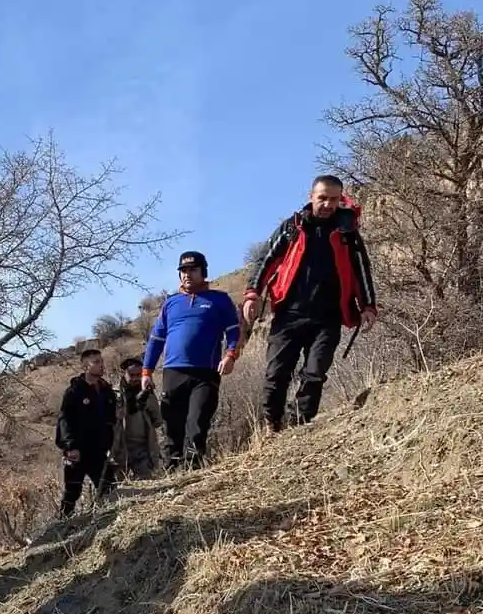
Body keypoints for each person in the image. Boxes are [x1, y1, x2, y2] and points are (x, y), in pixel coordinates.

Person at [243, 175, 377, 431]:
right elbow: (265, 260)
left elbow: (362, 270)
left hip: (328, 317)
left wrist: (368, 306)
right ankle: (272, 424)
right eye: (322, 198)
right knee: (276, 375)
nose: (327, 204)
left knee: (314, 375)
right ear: (311, 196)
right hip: (288, 314)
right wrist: (252, 294)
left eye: (334, 199)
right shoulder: (292, 227)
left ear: (340, 200)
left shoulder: (348, 232)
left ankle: (299, 426)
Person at [141, 251, 241, 469]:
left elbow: (234, 330)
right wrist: (146, 372)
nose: (187, 275)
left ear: (203, 272)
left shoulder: (220, 300)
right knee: (171, 426)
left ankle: (192, 470)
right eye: (183, 271)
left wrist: (231, 355)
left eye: (192, 270)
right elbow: (156, 339)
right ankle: (172, 472)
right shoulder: (171, 303)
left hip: (205, 372)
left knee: (197, 423)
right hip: (173, 371)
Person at [55, 349, 118, 516]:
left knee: (108, 487)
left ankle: (106, 520)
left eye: (101, 361)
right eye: (96, 362)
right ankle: (63, 525)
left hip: (99, 451)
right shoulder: (74, 392)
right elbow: (64, 420)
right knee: (72, 492)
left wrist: (111, 443)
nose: (101, 365)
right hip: (78, 452)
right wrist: (70, 446)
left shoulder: (106, 391)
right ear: (85, 366)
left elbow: (112, 421)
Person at [112, 356, 162, 478]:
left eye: (138, 375)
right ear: (124, 374)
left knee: (146, 481)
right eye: (131, 374)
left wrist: (148, 401)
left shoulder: (147, 393)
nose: (135, 378)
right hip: (119, 447)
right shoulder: (112, 393)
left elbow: (157, 421)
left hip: (142, 447)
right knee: (118, 485)